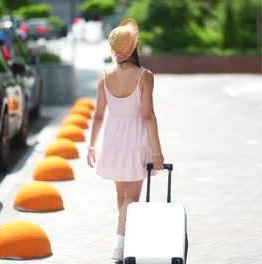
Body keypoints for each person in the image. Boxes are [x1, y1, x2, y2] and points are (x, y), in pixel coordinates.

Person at [87, 18, 164, 261]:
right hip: (135, 142)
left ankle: (124, 242)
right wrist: (157, 152)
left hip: (112, 141)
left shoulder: (104, 75)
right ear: (135, 48)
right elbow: (148, 115)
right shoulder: (145, 76)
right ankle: (119, 248)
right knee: (132, 199)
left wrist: (91, 145)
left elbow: (99, 115)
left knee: (121, 197)